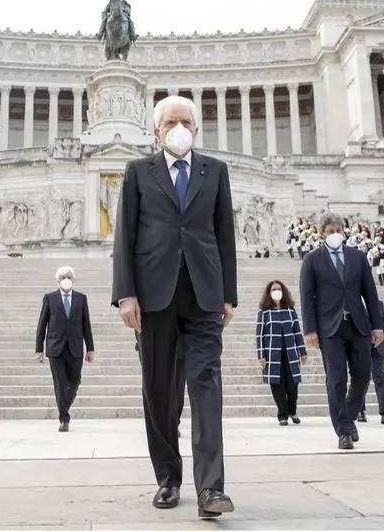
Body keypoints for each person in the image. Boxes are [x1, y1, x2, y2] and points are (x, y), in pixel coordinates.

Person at [111, 95, 237, 518]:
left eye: (185, 121)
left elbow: (225, 237)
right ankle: (168, 477)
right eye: (170, 122)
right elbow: (124, 237)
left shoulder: (215, 171)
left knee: (207, 389)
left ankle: (211, 488)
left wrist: (228, 294)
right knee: (160, 392)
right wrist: (125, 294)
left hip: (203, 293)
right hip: (153, 295)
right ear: (156, 132)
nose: (178, 127)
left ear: (196, 129)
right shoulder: (137, 172)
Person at [299, 212, 384, 450]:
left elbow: (370, 293)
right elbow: (307, 297)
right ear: (322, 233)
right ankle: (343, 432)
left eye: (338, 230)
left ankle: (346, 415)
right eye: (329, 231)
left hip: (358, 325)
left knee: (363, 376)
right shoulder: (312, 260)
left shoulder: (357, 258)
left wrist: (377, 325)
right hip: (329, 329)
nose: (334, 234)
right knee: (336, 380)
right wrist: (310, 329)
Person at [35, 266, 95, 432]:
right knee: (61, 383)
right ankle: (64, 418)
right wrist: (39, 349)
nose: (66, 279)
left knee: (73, 383)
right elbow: (42, 324)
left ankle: (64, 407)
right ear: (58, 280)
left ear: (73, 279)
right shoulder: (50, 298)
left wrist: (90, 348)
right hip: (55, 348)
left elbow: (86, 324)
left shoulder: (81, 298)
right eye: (63, 276)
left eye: (68, 276)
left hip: (75, 347)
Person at [255, 280, 307, 426]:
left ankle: (293, 411)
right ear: (269, 293)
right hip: (272, 355)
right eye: (273, 289)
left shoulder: (290, 311)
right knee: (277, 386)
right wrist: (261, 355)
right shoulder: (264, 313)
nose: (276, 291)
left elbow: (297, 332)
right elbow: (259, 335)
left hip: (290, 354)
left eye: (278, 289)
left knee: (292, 385)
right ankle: (282, 414)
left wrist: (302, 352)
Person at [135, 331, 185, 437]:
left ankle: (173, 422)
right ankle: (157, 424)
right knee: (153, 380)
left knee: (177, 380)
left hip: (179, 337)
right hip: (149, 330)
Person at [355, 301, 384, 425]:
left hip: (378, 348)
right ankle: (360, 411)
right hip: (363, 347)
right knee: (364, 379)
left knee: (380, 379)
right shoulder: (354, 303)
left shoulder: (379, 304)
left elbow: (383, 326)